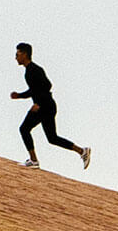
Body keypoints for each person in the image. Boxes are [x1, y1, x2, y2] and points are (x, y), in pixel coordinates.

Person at [11, 42, 90, 170]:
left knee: (24, 129)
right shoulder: (30, 71)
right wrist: (19, 95)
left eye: (17, 54)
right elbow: (34, 90)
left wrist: (38, 103)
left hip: (45, 106)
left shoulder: (33, 70)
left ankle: (34, 160)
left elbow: (47, 85)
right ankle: (82, 151)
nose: (15, 57)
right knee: (52, 138)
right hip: (48, 106)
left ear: (24, 54)